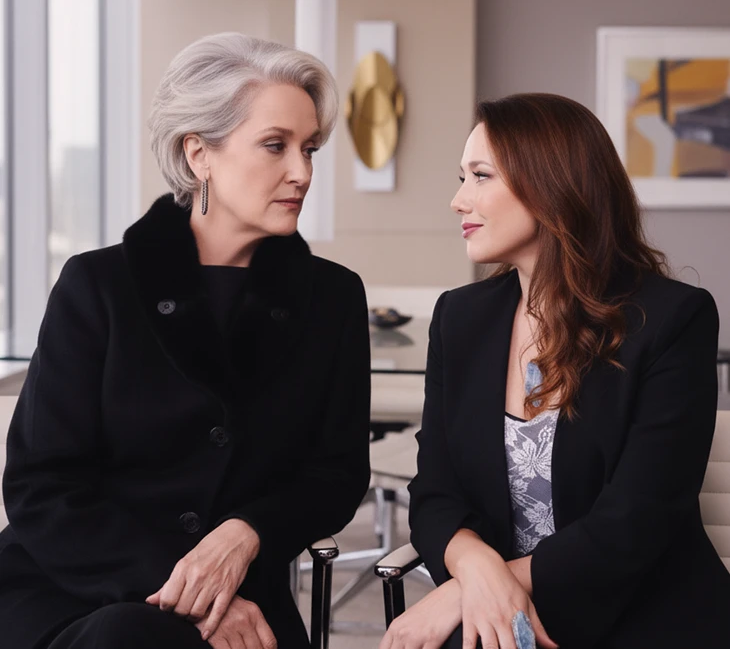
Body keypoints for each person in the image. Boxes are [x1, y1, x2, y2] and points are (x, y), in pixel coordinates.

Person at [0, 33, 371, 649]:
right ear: (199, 154)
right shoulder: (98, 285)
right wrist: (187, 593)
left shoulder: (332, 297)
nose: (302, 172)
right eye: (275, 145)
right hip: (73, 589)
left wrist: (246, 532)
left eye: (309, 148)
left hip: (244, 593)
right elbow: (42, 487)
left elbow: (336, 474)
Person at [380, 93, 730, 649]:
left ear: (550, 185)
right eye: (462, 178)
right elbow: (435, 492)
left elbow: (636, 521)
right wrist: (475, 571)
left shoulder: (672, 318)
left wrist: (469, 590)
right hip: (502, 613)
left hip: (641, 614)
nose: (458, 200)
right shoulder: (459, 318)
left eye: (480, 176)